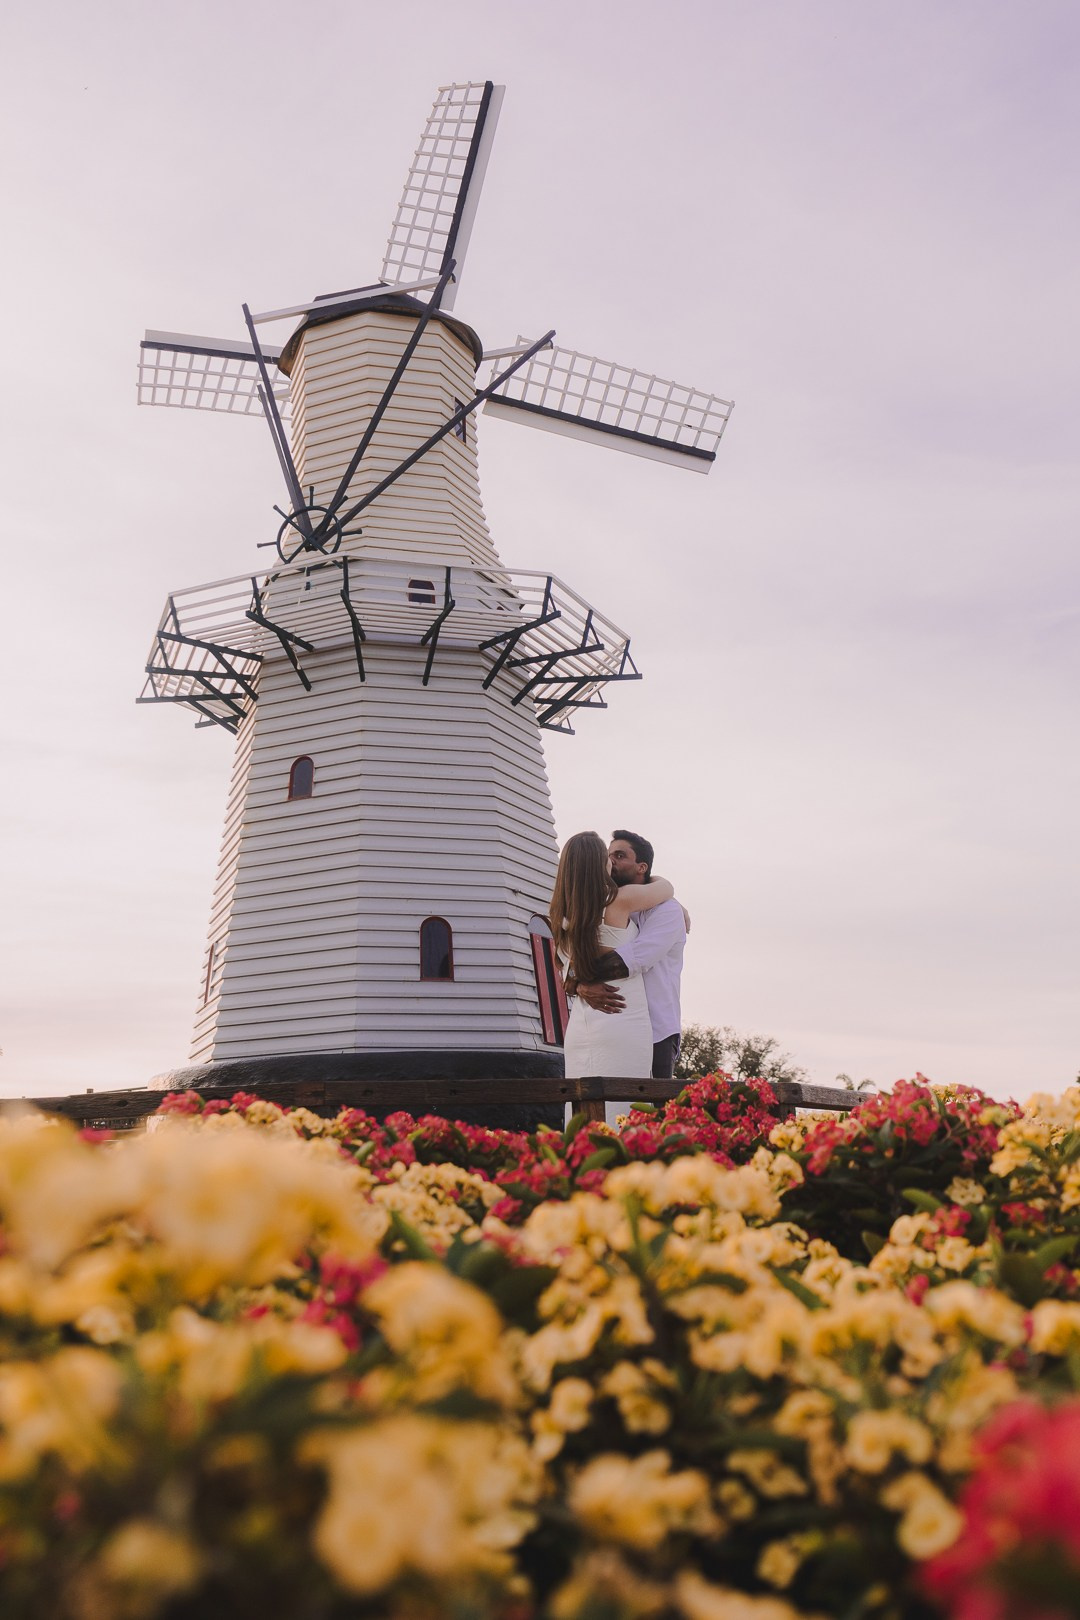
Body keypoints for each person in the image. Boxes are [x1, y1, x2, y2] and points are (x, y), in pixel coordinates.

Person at [550, 831, 677, 1082]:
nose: (612, 861)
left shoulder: (560, 913)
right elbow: (667, 888)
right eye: (608, 857)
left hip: (582, 1022)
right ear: (599, 865)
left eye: (618, 855)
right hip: (621, 1015)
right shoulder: (619, 901)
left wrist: (577, 982)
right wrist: (658, 879)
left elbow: (566, 967)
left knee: (582, 1106)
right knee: (625, 1103)